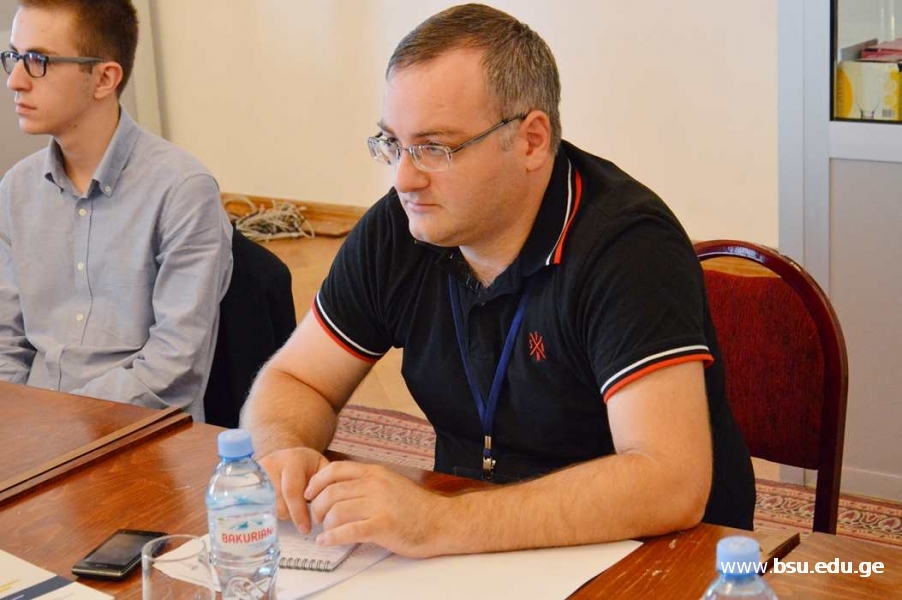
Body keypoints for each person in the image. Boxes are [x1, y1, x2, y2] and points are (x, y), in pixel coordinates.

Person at [242, 3, 755, 557]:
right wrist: (281, 448)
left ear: (531, 141)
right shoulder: (401, 226)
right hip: (476, 544)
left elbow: (668, 480)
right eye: (392, 143)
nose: (404, 178)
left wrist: (437, 522)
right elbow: (297, 379)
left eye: (435, 148)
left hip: (652, 554)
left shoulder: (629, 246)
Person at [0, 0, 232, 422]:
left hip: (135, 432)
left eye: (38, 61)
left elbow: (173, 367)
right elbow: (5, 342)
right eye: (14, 57)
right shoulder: (16, 189)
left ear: (104, 78)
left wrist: (58, 422)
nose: (15, 80)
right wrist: (21, 422)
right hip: (33, 427)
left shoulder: (182, 190)